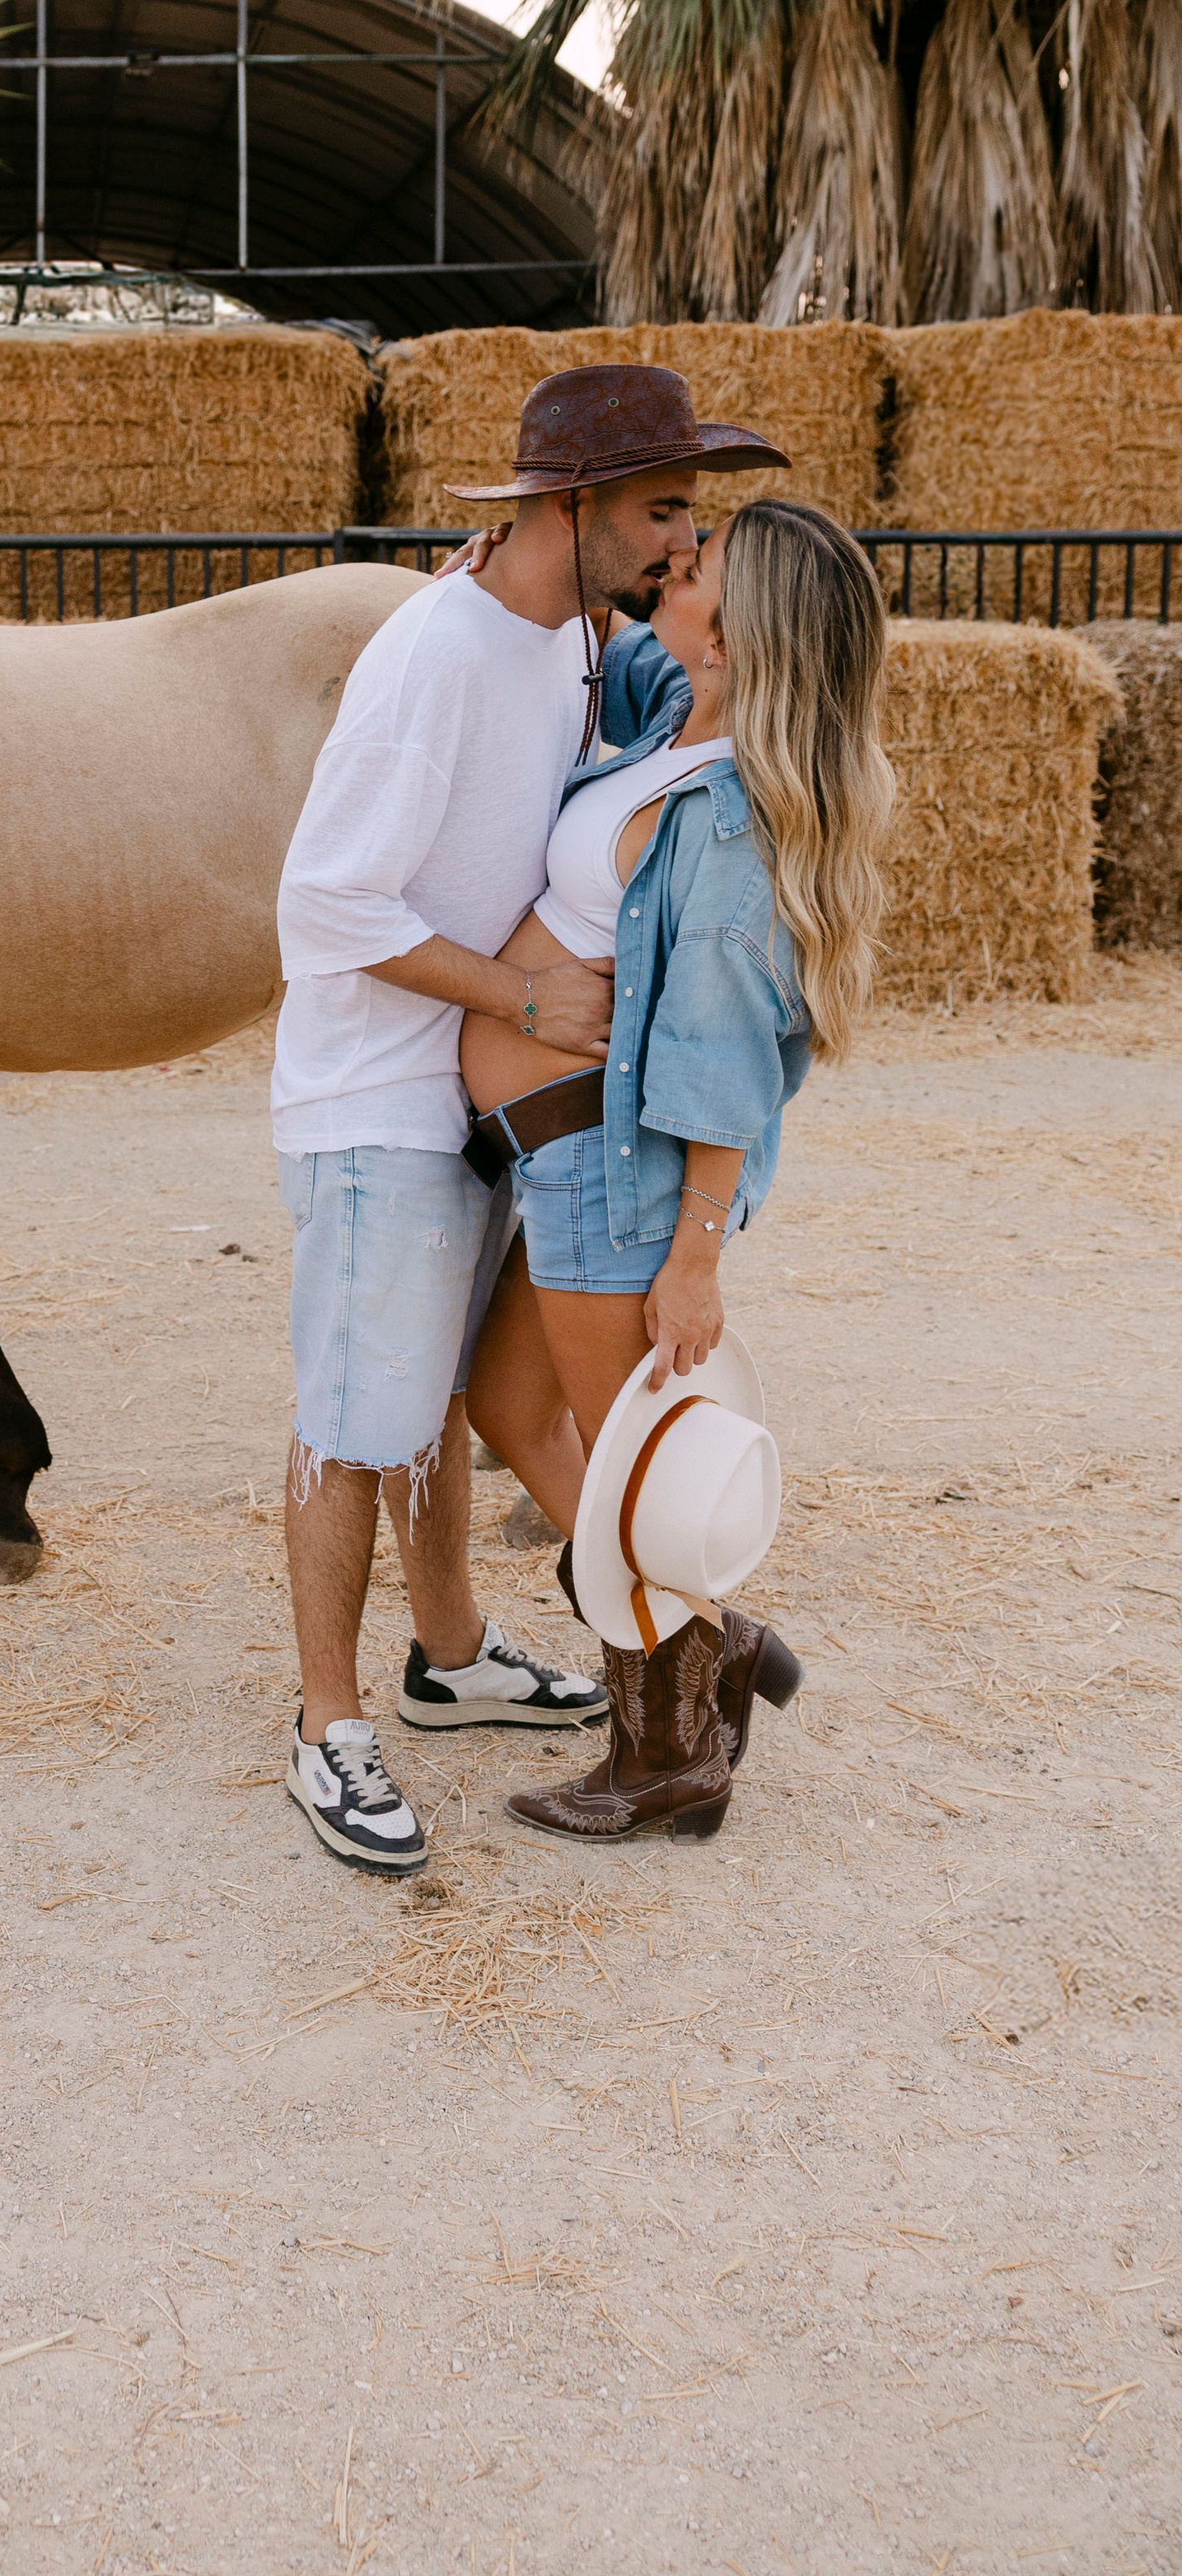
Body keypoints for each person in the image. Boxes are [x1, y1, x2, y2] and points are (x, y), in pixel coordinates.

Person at [273, 364, 787, 1876]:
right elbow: (323, 897)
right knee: (355, 1423)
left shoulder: (568, 635)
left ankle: (450, 1659)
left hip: (471, 1088)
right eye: (665, 510)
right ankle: (325, 1727)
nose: (686, 544)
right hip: (381, 1090)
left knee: (436, 1398)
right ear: (573, 506)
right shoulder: (437, 657)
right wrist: (518, 994)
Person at [456, 487, 895, 1842]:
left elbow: (716, 1055)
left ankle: (665, 1757)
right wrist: (525, 555)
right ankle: (715, 1641)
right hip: (566, 1161)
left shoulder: (726, 818)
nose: (675, 564)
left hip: (620, 1177)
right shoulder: (670, 717)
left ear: (740, 624)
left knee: (621, 1466)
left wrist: (694, 1257)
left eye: (698, 562)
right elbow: (609, 626)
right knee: (505, 1410)